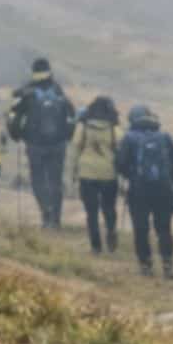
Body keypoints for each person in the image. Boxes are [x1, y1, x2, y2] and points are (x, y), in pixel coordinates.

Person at [7, 56, 76, 228]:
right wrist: (67, 137)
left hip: (35, 144)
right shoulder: (57, 90)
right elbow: (71, 115)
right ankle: (56, 219)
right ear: (49, 71)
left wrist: (17, 136)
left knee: (38, 180)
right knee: (55, 180)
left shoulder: (27, 93)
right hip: (58, 145)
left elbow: (14, 118)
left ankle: (46, 214)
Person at [116, 103, 173, 278]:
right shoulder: (164, 136)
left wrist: (131, 175)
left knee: (141, 229)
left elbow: (120, 164)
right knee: (164, 229)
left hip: (139, 190)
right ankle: (168, 266)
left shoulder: (129, 138)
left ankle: (146, 267)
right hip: (163, 190)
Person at [69, 96, 121, 254]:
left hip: (86, 174)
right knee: (109, 208)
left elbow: (75, 150)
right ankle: (111, 232)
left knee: (91, 212)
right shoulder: (115, 129)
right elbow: (122, 151)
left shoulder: (83, 127)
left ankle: (95, 246)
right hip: (109, 174)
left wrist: (73, 172)